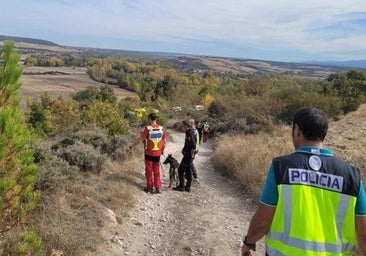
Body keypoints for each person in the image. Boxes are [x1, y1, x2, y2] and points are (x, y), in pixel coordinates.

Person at [241, 107, 366, 256]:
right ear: (324, 133)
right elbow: (363, 235)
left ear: (296, 130)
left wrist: (249, 242)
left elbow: (262, 221)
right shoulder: (352, 176)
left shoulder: (281, 167)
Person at [129, 113, 167, 194]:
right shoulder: (161, 128)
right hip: (157, 153)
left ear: (150, 119)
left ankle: (149, 187)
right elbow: (165, 141)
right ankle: (158, 188)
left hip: (149, 153)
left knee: (149, 170)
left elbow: (140, 140)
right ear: (156, 119)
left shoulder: (148, 129)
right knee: (156, 170)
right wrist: (162, 150)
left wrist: (131, 146)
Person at [173, 120, 196, 193]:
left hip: (188, 155)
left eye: (182, 126)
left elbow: (193, 146)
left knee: (180, 170)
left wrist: (191, 156)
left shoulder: (190, 133)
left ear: (186, 126)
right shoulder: (188, 132)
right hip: (187, 155)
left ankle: (181, 186)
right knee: (188, 170)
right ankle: (188, 187)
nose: (181, 127)